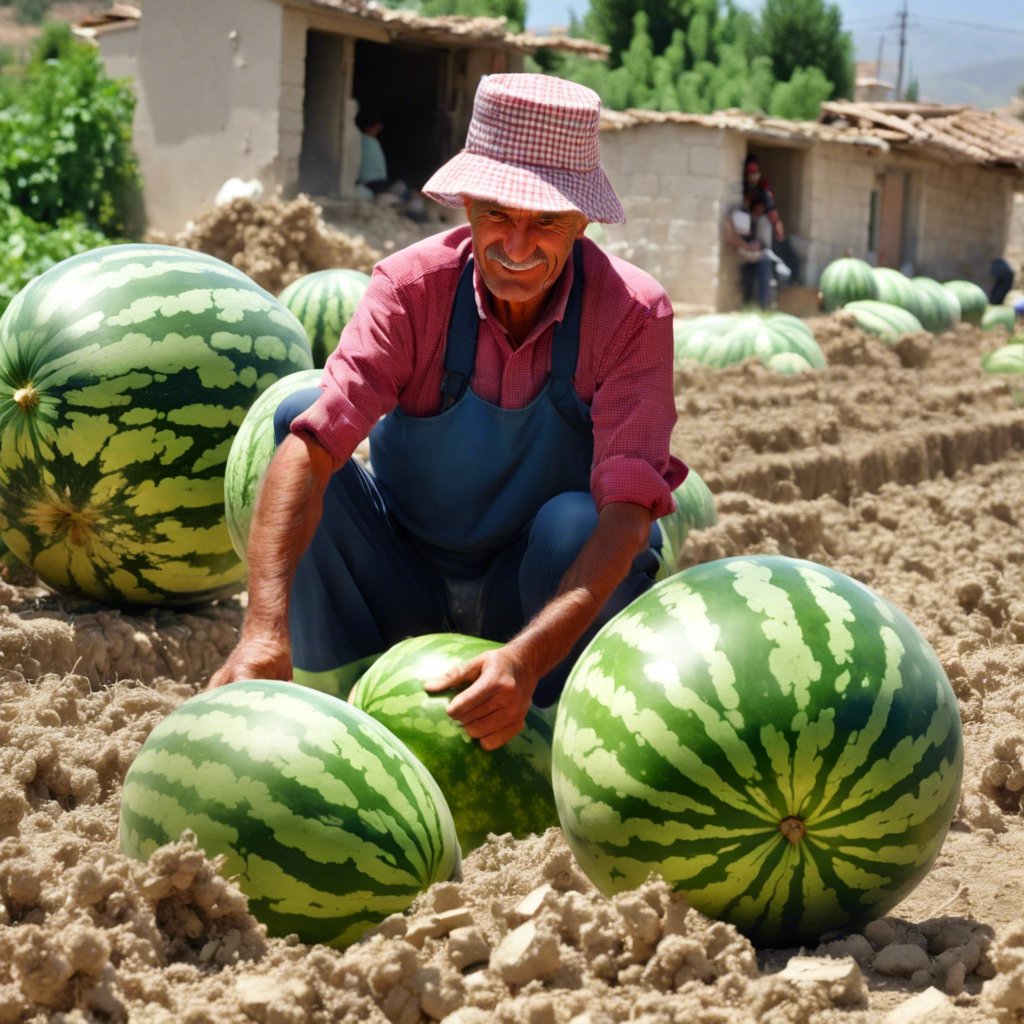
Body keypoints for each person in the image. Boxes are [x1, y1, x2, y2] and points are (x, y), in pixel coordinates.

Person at [209, 74, 686, 751]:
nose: (515, 247)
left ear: (584, 222)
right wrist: (262, 627)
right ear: (466, 202)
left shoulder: (632, 315)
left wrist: (524, 659)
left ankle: (555, 733)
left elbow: (628, 515)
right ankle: (324, 712)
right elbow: (313, 445)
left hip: (537, 599)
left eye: (545, 223)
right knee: (296, 423)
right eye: (496, 214)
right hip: (404, 577)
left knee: (577, 522)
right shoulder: (410, 290)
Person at [725, 194, 774, 308]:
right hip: (744, 255)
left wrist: (754, 246)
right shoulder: (737, 221)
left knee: (763, 273)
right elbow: (732, 238)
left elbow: (763, 242)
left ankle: (762, 304)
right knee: (747, 281)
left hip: (757, 254)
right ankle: (747, 303)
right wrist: (748, 246)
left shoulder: (763, 221)